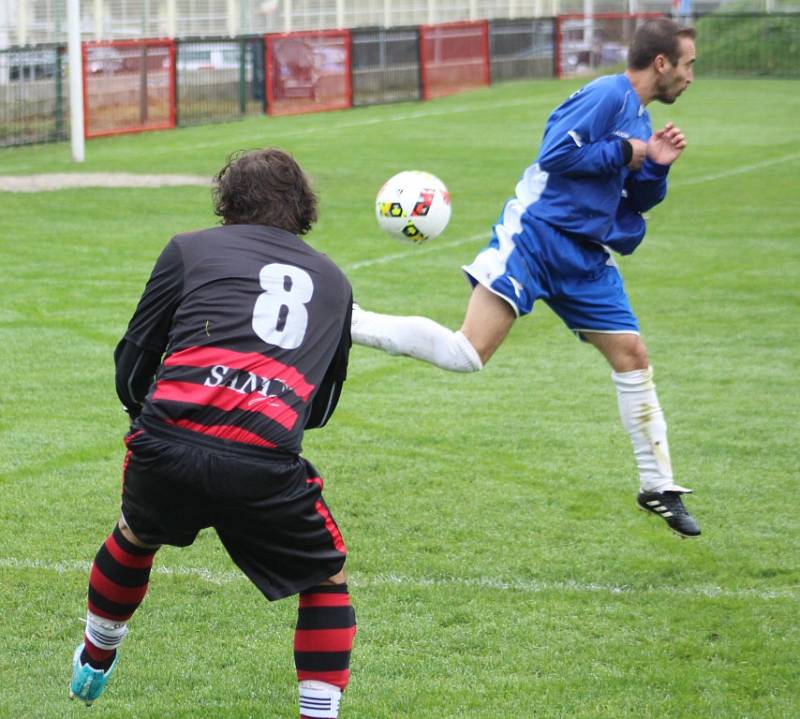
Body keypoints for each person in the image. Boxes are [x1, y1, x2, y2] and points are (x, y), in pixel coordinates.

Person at [352, 18, 700, 537]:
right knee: (466, 354)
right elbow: (555, 154)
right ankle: (348, 319)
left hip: (585, 257)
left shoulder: (640, 118)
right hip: (536, 240)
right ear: (661, 63)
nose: (692, 76)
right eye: (688, 64)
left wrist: (657, 166)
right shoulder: (609, 94)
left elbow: (635, 198)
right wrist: (629, 152)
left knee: (633, 355)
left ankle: (659, 487)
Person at [69, 148, 357, 719]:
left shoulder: (188, 249)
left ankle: (94, 658)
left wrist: (145, 419)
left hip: (168, 440)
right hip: (263, 459)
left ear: (226, 202)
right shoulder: (334, 282)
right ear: (303, 207)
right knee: (325, 578)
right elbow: (320, 407)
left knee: (134, 535)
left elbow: (134, 360)